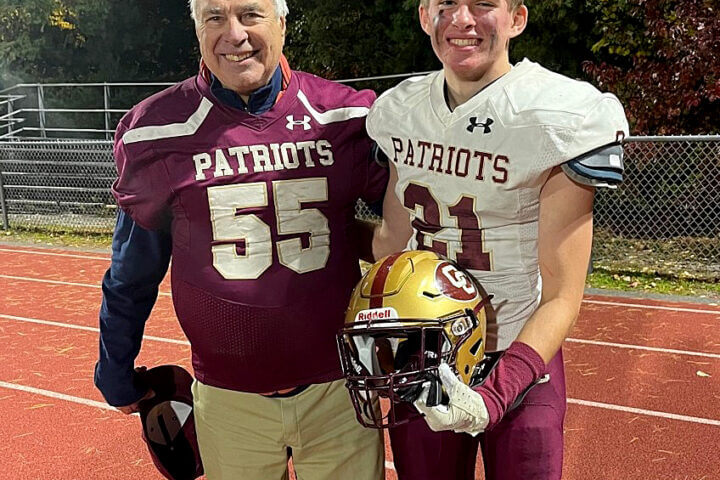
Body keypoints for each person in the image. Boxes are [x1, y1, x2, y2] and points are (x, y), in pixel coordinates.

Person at [93, 0, 387, 478]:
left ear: (283, 24)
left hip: (340, 389)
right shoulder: (157, 130)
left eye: (251, 14)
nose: (234, 34)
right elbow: (132, 273)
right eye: (214, 18)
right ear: (197, 31)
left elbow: (411, 229)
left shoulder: (345, 117)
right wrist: (115, 369)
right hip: (228, 399)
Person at [367, 0, 629, 479]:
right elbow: (392, 242)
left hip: (519, 351)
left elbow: (562, 294)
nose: (463, 20)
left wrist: (494, 394)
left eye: (484, 4)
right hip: (428, 353)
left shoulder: (556, 112)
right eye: (446, 5)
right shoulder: (399, 111)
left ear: (517, 18)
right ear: (425, 16)